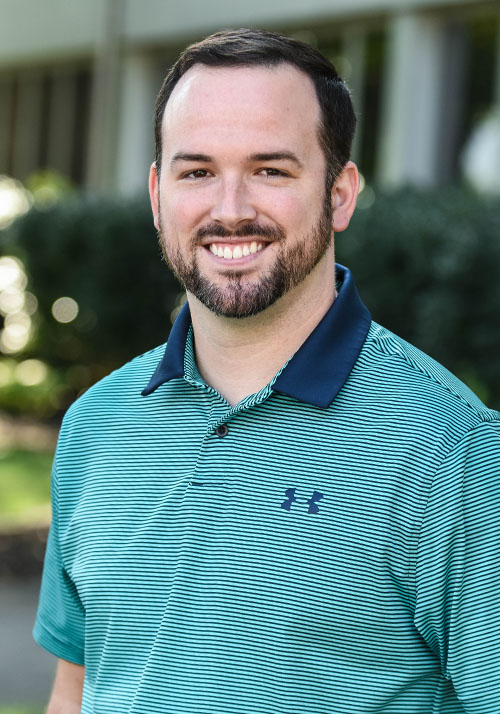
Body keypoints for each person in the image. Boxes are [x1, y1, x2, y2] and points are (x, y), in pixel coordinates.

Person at [34, 28, 500, 714]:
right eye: (197, 172)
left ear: (340, 194)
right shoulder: (96, 425)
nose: (230, 210)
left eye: (271, 170)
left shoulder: (452, 448)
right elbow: (76, 687)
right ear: (159, 195)